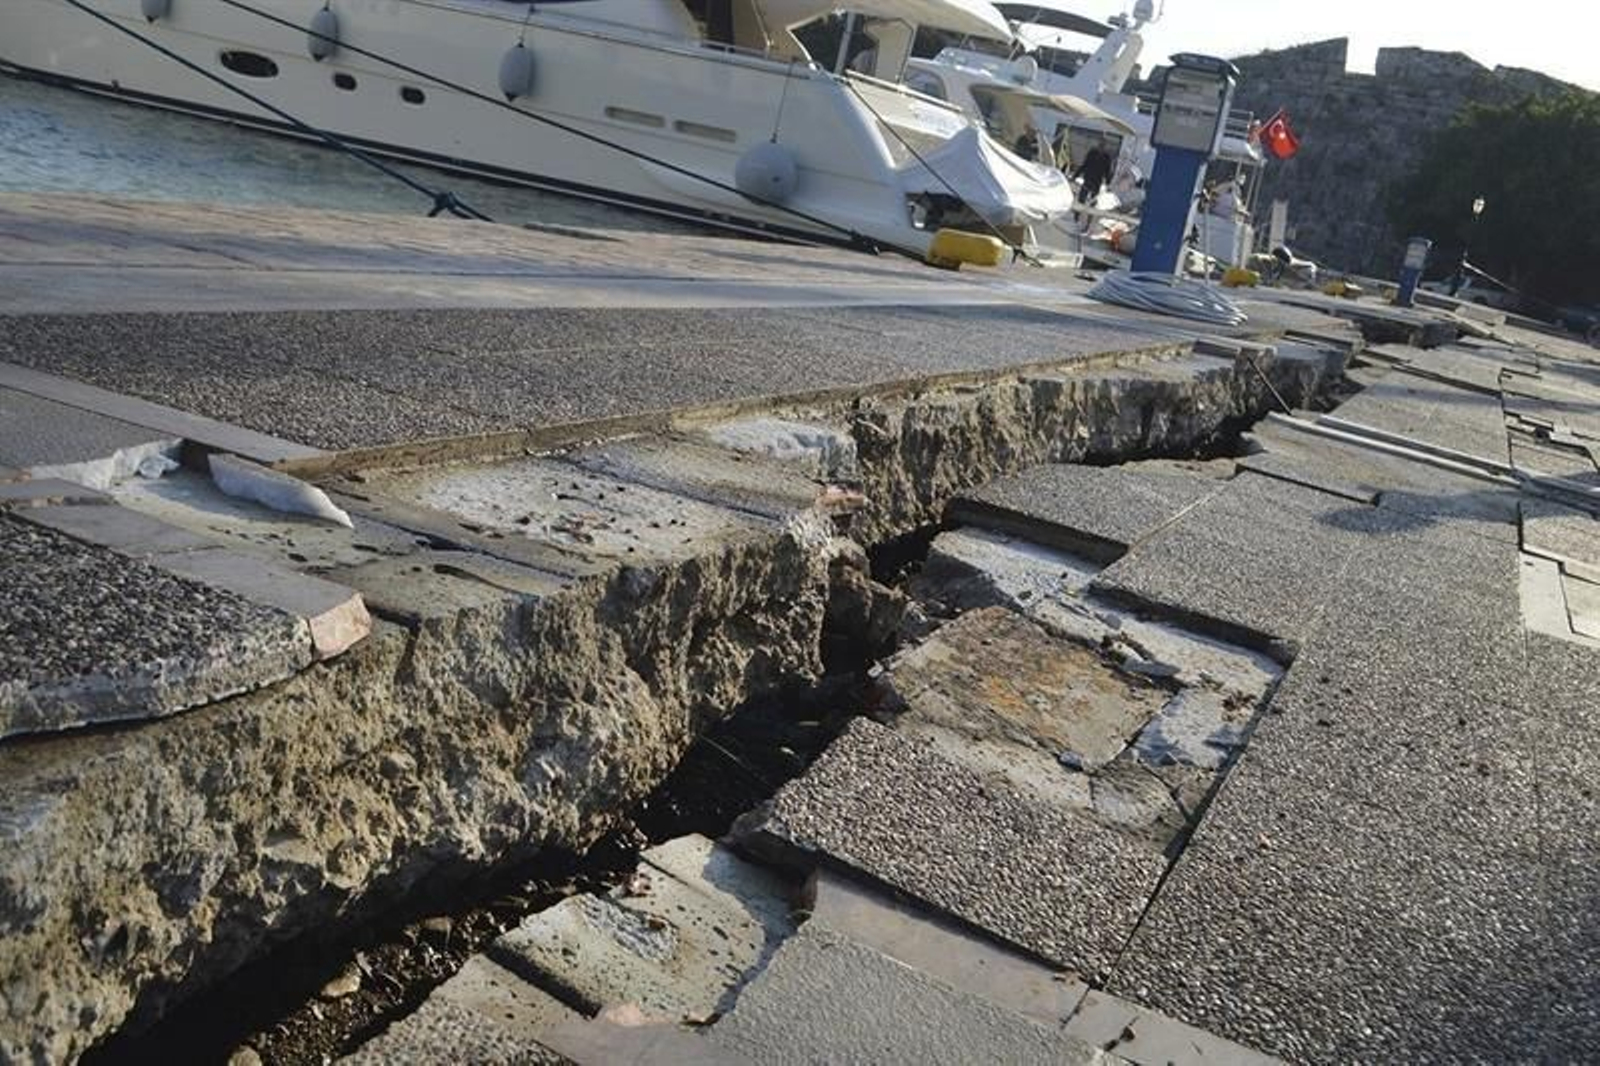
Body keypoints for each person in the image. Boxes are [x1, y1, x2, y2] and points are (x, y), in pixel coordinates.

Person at [1073, 140, 1113, 205]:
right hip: (1088, 177)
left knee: (1093, 198)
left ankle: (1090, 213)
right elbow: (1085, 164)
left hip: (1097, 180)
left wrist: (1108, 182)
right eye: (1100, 145)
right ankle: (1078, 213)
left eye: (1103, 146)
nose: (1101, 148)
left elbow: (1107, 170)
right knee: (1082, 196)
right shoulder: (1092, 153)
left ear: (1105, 147)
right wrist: (1076, 174)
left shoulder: (1106, 157)